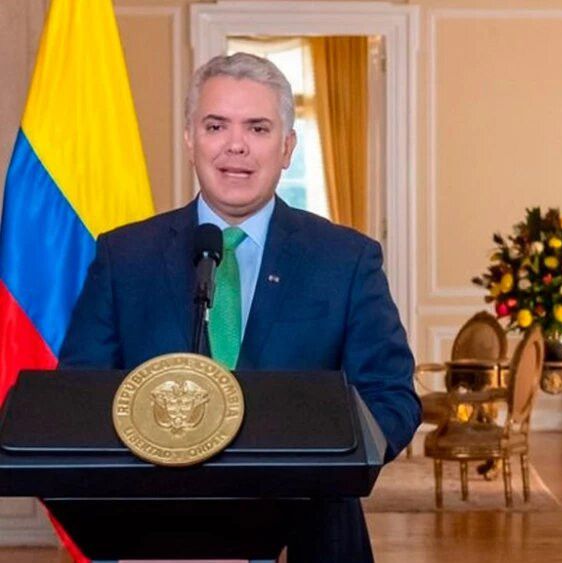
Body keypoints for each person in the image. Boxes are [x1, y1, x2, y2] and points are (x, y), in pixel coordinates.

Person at [59, 52, 420, 561]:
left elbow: (391, 398)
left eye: (257, 127)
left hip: (309, 537)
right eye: (216, 126)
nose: (236, 145)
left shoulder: (346, 259)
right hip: (154, 538)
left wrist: (325, 466)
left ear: (287, 147)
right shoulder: (124, 256)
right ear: (190, 139)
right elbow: (80, 397)